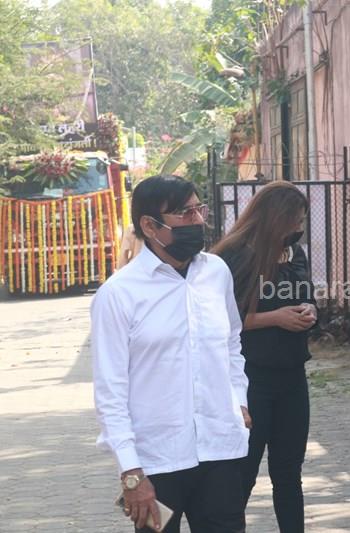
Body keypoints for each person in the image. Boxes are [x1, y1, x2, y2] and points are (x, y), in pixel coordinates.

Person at [91, 175, 251, 533]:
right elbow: (110, 391)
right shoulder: (118, 294)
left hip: (219, 450)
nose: (198, 220)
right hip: (156, 461)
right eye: (184, 213)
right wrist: (131, 472)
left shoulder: (216, 272)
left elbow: (232, 342)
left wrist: (238, 398)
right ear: (150, 226)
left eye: (199, 210)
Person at [213, 181, 317, 532]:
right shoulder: (235, 255)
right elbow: (221, 320)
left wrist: (309, 310)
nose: (298, 228)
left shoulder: (294, 253)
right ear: (275, 217)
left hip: (292, 376)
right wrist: (274, 318)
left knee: (289, 472)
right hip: (252, 379)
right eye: (294, 220)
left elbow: (306, 296)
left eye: (302, 221)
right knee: (243, 472)